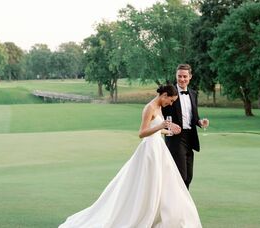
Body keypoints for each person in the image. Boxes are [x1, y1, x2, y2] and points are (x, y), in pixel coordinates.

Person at [59, 84, 202, 228]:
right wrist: (161, 126)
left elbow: (157, 131)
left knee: (161, 182)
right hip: (149, 150)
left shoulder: (159, 108)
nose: (170, 104)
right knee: (147, 182)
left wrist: (170, 130)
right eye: (170, 100)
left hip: (159, 148)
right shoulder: (149, 108)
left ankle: (158, 213)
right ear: (164, 95)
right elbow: (142, 133)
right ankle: (142, 213)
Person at [162, 64, 209, 189]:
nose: (182, 79)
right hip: (175, 138)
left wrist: (200, 122)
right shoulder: (168, 93)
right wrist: (168, 125)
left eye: (185, 76)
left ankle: (183, 205)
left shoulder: (193, 94)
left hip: (190, 137)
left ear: (190, 77)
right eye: (179, 76)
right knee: (181, 176)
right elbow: (160, 115)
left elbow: (194, 117)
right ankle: (178, 206)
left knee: (188, 176)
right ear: (176, 76)